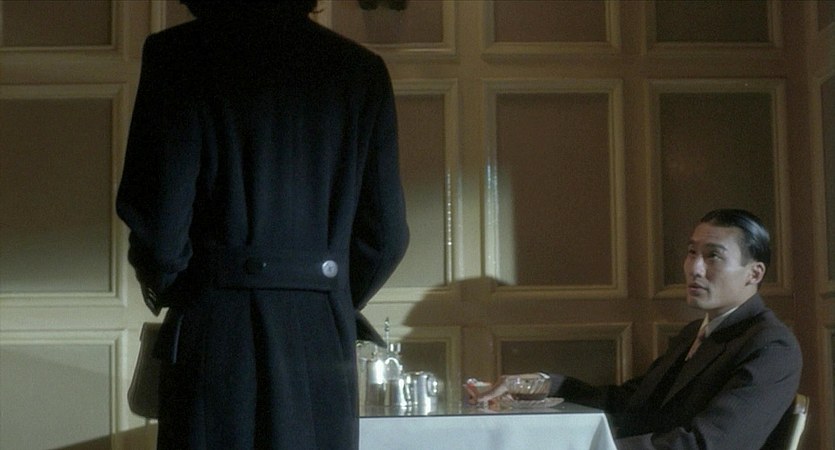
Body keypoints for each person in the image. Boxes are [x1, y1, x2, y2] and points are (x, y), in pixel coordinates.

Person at [116, 1, 409, 448]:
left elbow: (159, 224)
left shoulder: (178, 56)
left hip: (215, 329)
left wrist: (186, 291)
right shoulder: (360, 70)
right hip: (320, 335)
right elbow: (385, 238)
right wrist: (324, 293)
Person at [471, 209, 801, 450]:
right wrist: (538, 385)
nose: (695, 268)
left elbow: (707, 445)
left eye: (713, 256)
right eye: (692, 253)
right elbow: (631, 402)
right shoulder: (695, 332)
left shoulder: (771, 347)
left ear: (754, 273)